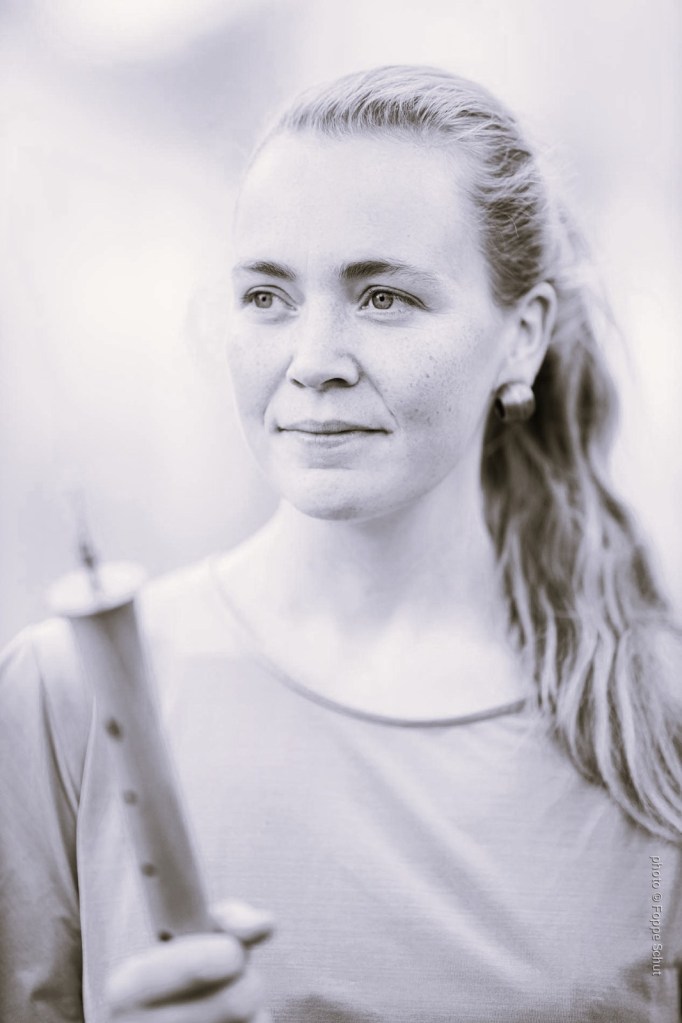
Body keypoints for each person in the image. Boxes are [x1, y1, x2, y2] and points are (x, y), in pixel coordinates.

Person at [1, 65, 681, 1023]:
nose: (314, 362)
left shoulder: (656, 719)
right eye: (268, 296)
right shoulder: (69, 693)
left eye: (385, 297)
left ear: (522, 338)